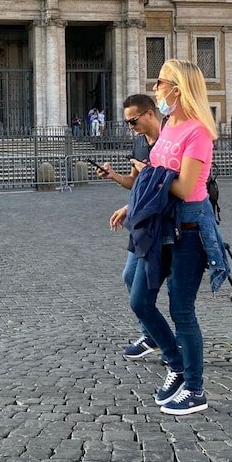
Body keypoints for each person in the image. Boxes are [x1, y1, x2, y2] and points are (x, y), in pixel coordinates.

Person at [116, 59, 228, 416]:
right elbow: (161, 175)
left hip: (190, 228)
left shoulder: (197, 132)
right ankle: (176, 363)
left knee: (181, 309)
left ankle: (194, 388)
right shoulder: (168, 128)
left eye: (161, 82)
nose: (156, 89)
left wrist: (152, 174)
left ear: (178, 90)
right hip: (162, 225)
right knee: (140, 298)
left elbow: (182, 185)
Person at [100, 96, 165, 360]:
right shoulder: (139, 143)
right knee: (129, 276)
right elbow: (136, 183)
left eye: (133, 121)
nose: (130, 126)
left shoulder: (168, 143)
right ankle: (151, 334)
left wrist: (129, 207)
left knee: (167, 291)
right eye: (127, 122)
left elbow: (165, 186)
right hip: (140, 223)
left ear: (149, 114)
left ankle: (168, 341)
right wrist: (114, 176)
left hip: (163, 222)